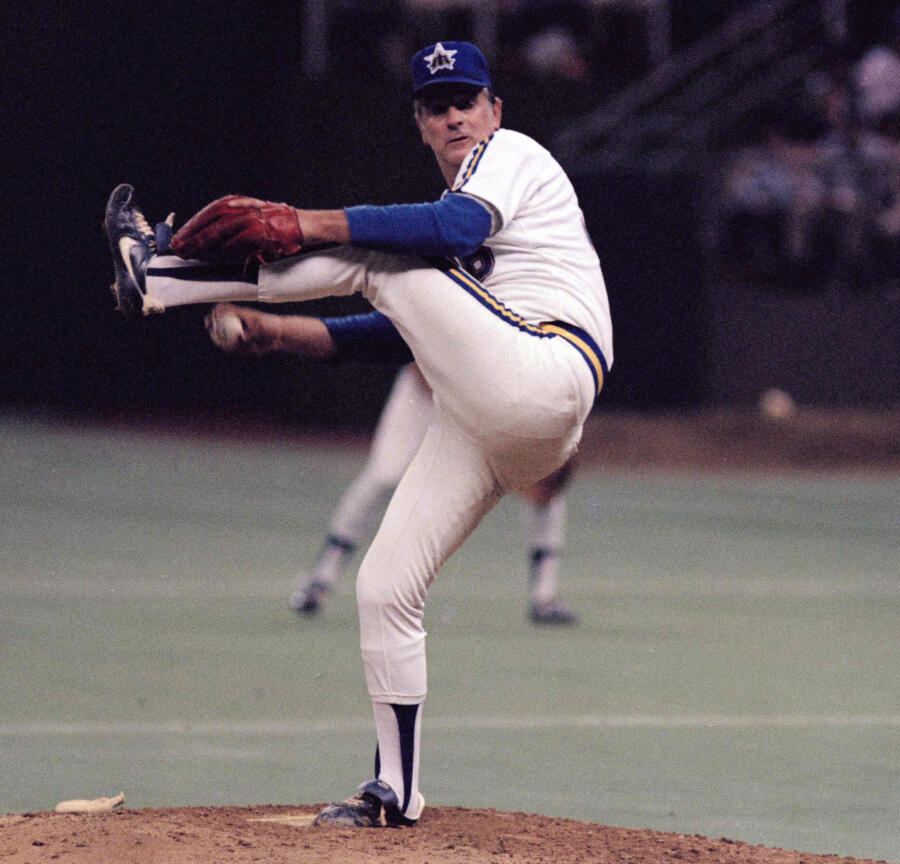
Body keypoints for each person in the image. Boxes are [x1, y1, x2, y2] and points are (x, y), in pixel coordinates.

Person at [102, 40, 611, 829]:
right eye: (437, 107)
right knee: (385, 587)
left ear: (496, 110)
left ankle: (162, 278)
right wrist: (280, 333)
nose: (455, 118)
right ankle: (396, 792)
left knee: (385, 256)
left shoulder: (512, 156)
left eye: (466, 101)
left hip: (548, 367)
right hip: (490, 421)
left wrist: (301, 223)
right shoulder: (456, 229)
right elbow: (399, 331)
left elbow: (444, 229)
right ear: (418, 124)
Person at [203, 305, 579, 625]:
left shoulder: (536, 312)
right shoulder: (465, 287)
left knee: (544, 469)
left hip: (485, 401)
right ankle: (320, 579)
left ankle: (543, 597)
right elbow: (422, 361)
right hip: (426, 391)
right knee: (384, 475)